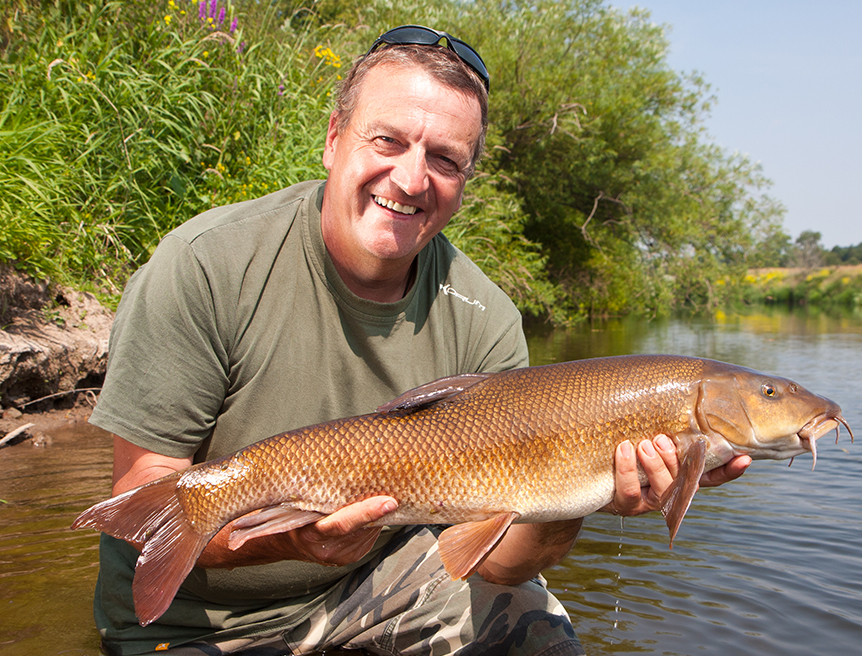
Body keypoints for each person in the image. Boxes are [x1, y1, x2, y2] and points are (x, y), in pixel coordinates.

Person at [87, 25, 751, 656]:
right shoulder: (208, 264)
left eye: (444, 159)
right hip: (195, 617)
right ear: (333, 139)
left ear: (464, 185)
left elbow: (501, 565)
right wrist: (296, 541)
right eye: (387, 141)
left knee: (534, 622)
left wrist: (583, 496)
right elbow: (148, 488)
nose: (410, 179)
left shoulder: (485, 316)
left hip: (368, 586)